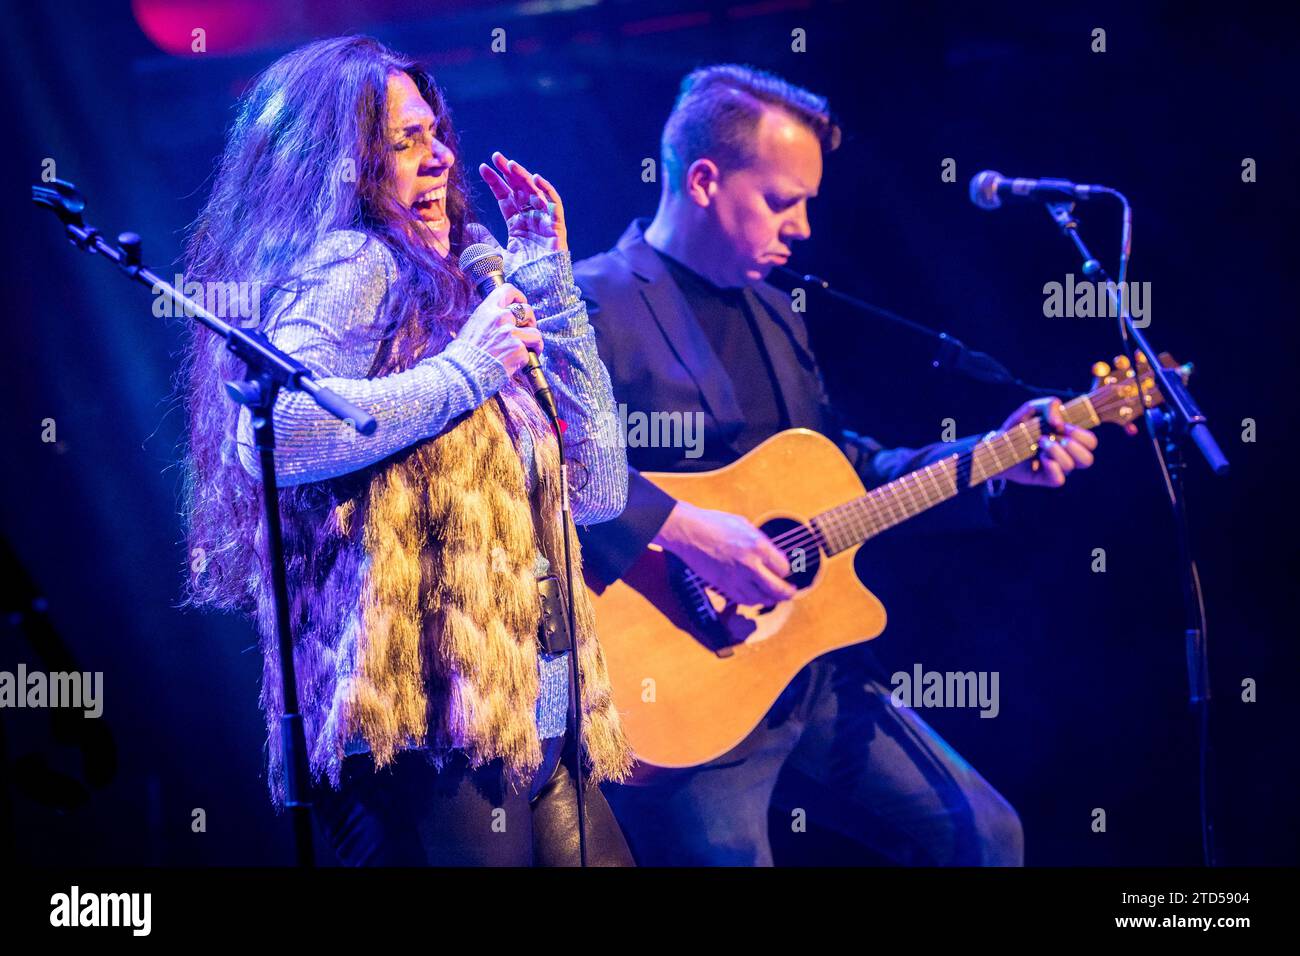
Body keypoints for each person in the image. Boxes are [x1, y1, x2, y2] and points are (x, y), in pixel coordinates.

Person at [575, 64, 1100, 866]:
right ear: (707, 180)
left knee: (986, 838)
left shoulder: (779, 313)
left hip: (811, 675)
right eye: (783, 201)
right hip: (679, 690)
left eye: (808, 204)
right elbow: (552, 474)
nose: (804, 228)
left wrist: (993, 460)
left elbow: (843, 469)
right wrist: (692, 538)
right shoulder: (594, 302)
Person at [180, 35, 633, 866]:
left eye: (436, 133)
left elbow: (600, 487)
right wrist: (465, 371)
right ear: (341, 164)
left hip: (548, 720)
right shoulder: (355, 262)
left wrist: (550, 284)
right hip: (428, 733)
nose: (440, 160)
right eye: (405, 142)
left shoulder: (466, 286)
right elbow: (276, 434)